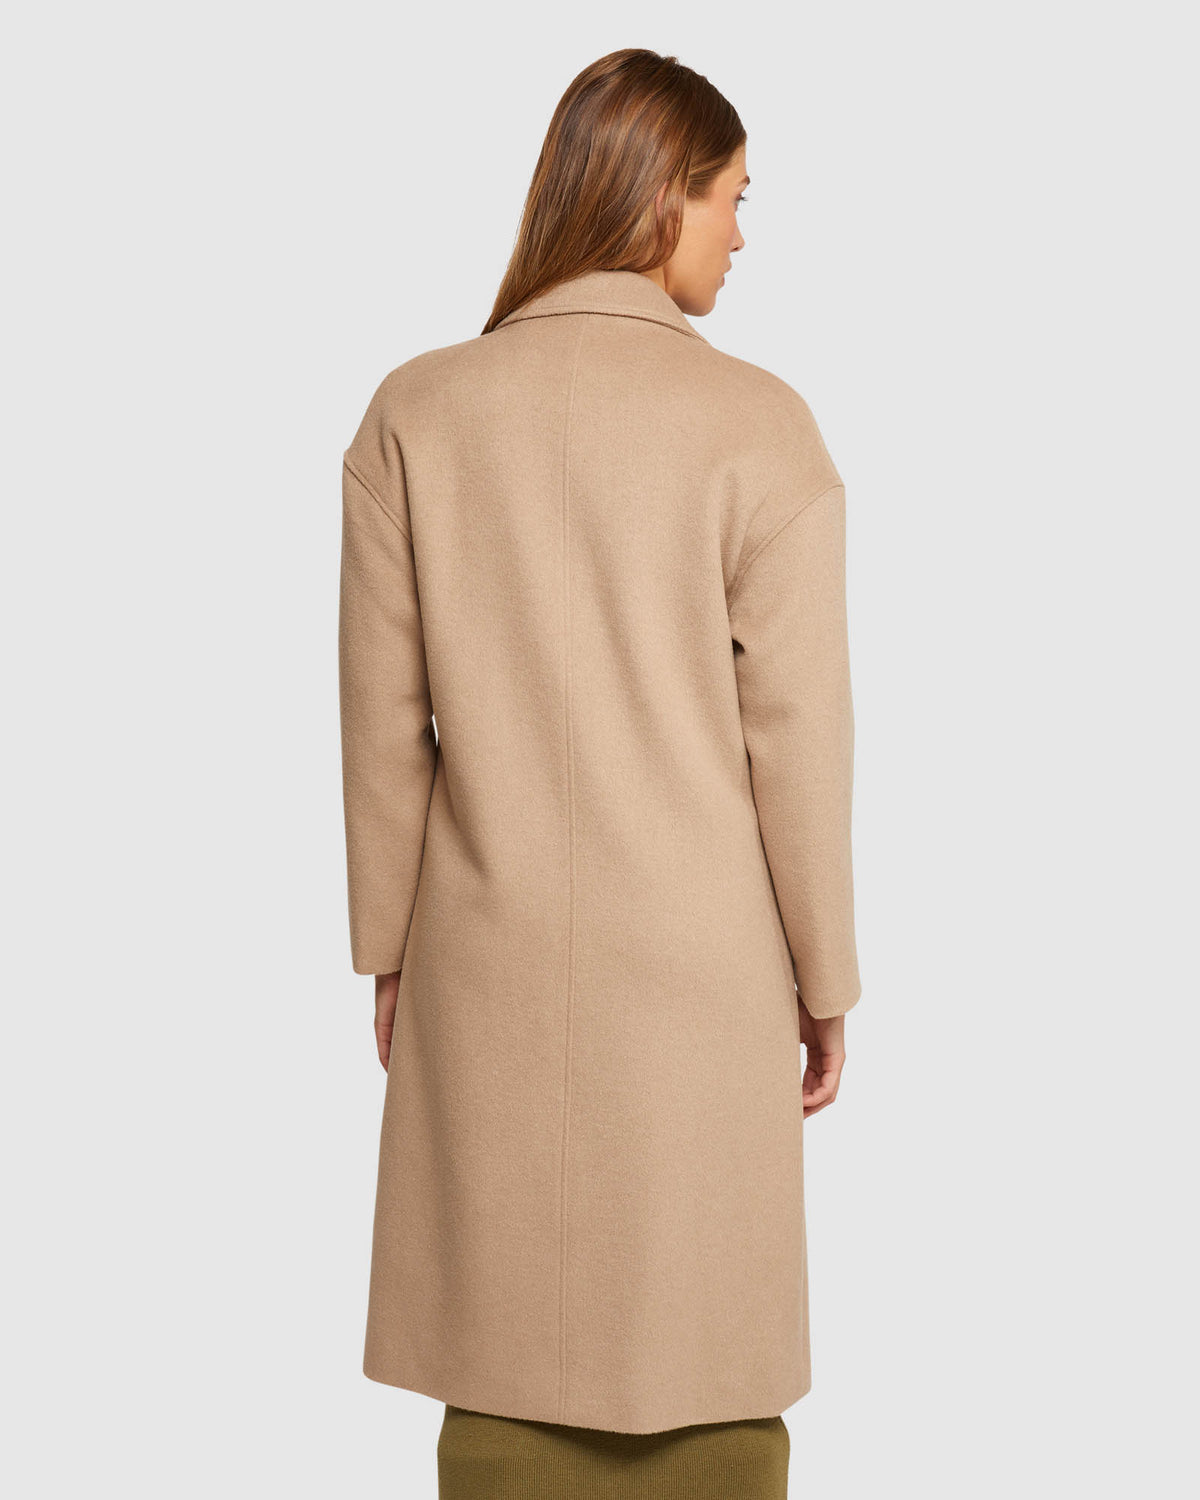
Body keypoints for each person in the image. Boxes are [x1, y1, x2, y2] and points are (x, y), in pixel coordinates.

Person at [338, 46, 862, 1499]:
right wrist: (827, 975)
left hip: (487, 952)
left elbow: (382, 725)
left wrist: (390, 949)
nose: (742, 233)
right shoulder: (759, 425)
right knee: (705, 1338)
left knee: (506, 1337)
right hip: (705, 967)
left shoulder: (416, 413)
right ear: (659, 197)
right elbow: (799, 739)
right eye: (733, 197)